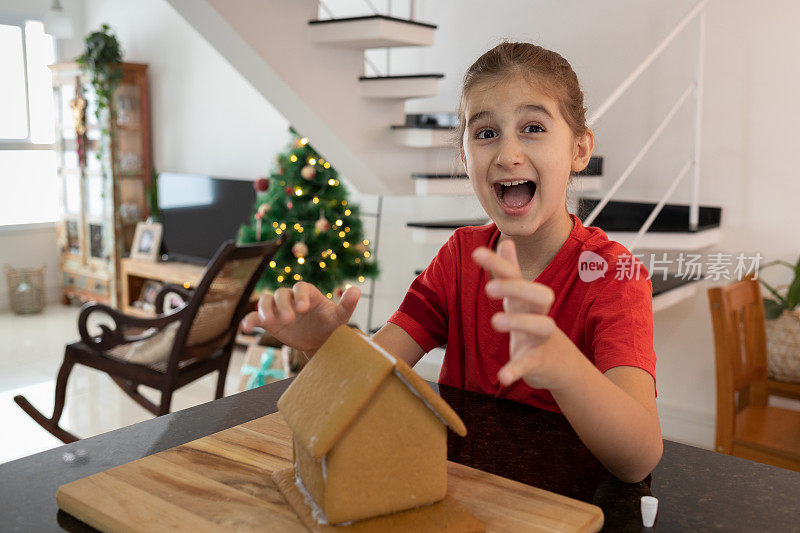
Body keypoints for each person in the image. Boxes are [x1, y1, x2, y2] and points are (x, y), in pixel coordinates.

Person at [242, 42, 662, 483]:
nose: (507, 154)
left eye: (533, 127)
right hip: (464, 495)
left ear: (579, 149)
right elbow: (366, 380)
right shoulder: (459, 258)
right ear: (465, 157)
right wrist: (321, 345)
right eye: (485, 134)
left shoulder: (614, 275)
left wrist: (564, 366)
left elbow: (638, 458)